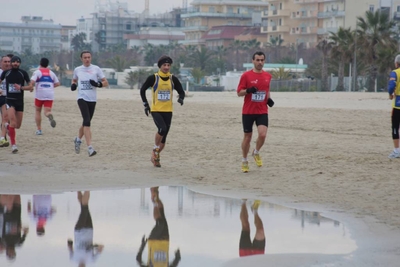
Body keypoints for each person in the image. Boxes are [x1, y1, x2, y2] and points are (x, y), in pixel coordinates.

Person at [140, 55, 185, 167]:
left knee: (164, 137)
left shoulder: (172, 79)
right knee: (162, 128)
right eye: (164, 65)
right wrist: (146, 104)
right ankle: (155, 149)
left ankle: (155, 157)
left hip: (168, 110)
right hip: (156, 110)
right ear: (160, 66)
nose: (166, 67)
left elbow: (181, 91)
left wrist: (181, 98)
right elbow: (142, 90)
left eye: (168, 65)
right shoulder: (153, 78)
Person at [237, 51, 274, 173]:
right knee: (247, 137)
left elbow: (266, 90)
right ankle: (244, 160)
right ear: (253, 61)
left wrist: (268, 99)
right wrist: (248, 90)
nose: (260, 62)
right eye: (257, 60)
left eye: (262, 60)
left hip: (262, 110)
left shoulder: (268, 76)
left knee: (263, 134)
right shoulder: (246, 76)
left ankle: (256, 152)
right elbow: (239, 92)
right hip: (248, 111)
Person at [71, 50, 109, 157]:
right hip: (82, 98)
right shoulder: (77, 69)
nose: (87, 59)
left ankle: (78, 139)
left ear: (91, 58)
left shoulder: (96, 69)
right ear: (81, 59)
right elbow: (74, 80)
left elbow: (106, 82)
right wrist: (73, 85)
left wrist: (98, 84)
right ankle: (90, 148)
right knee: (87, 122)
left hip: (92, 100)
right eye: (85, 57)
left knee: (85, 122)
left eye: (89, 57)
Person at [136, 187, 181, 267]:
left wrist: (143, 245)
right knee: (162, 214)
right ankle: (155, 194)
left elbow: (138, 259)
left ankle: (154, 198)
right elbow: (173, 265)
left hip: (154, 241)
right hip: (165, 240)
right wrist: (177, 258)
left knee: (160, 222)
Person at [0, 56, 33, 154]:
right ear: (11, 63)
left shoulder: (23, 73)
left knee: (17, 125)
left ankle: (6, 125)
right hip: (9, 101)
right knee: (13, 123)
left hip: (20, 102)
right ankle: (13, 145)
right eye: (13, 62)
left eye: (17, 62)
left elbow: (31, 87)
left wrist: (21, 87)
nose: (15, 63)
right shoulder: (6, 73)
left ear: (19, 63)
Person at [68, 191, 104, 266]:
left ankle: (87, 188)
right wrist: (94, 246)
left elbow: (70, 246)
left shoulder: (74, 258)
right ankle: (79, 188)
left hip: (79, 230)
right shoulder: (91, 260)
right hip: (89, 229)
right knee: (84, 207)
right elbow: (101, 247)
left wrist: (69, 243)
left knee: (84, 209)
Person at [30, 57, 60, 135]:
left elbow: (32, 81)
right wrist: (49, 86)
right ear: (47, 65)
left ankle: (39, 129)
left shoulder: (37, 72)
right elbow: (57, 83)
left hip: (40, 94)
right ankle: (49, 115)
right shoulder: (51, 73)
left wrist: (30, 87)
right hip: (49, 94)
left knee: (37, 111)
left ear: (40, 63)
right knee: (47, 111)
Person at [0, 195, 29, 261]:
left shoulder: (3, 242)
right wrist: (22, 229)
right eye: (13, 253)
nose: (11, 252)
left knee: (9, 196)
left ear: (7, 253)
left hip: (7, 214)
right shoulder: (19, 242)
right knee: (16, 194)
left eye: (10, 253)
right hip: (17, 214)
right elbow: (26, 231)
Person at [388, 54, 400, 158]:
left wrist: (390, 94)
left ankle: (397, 151)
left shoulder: (395, 72)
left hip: (398, 105)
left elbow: (392, 86)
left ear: (396, 63)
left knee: (395, 127)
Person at [0, 54, 13, 147]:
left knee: (5, 118)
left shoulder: (12, 73)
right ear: (1, 63)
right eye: (5, 62)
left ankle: (2, 138)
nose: (7, 64)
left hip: (5, 98)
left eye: (9, 62)